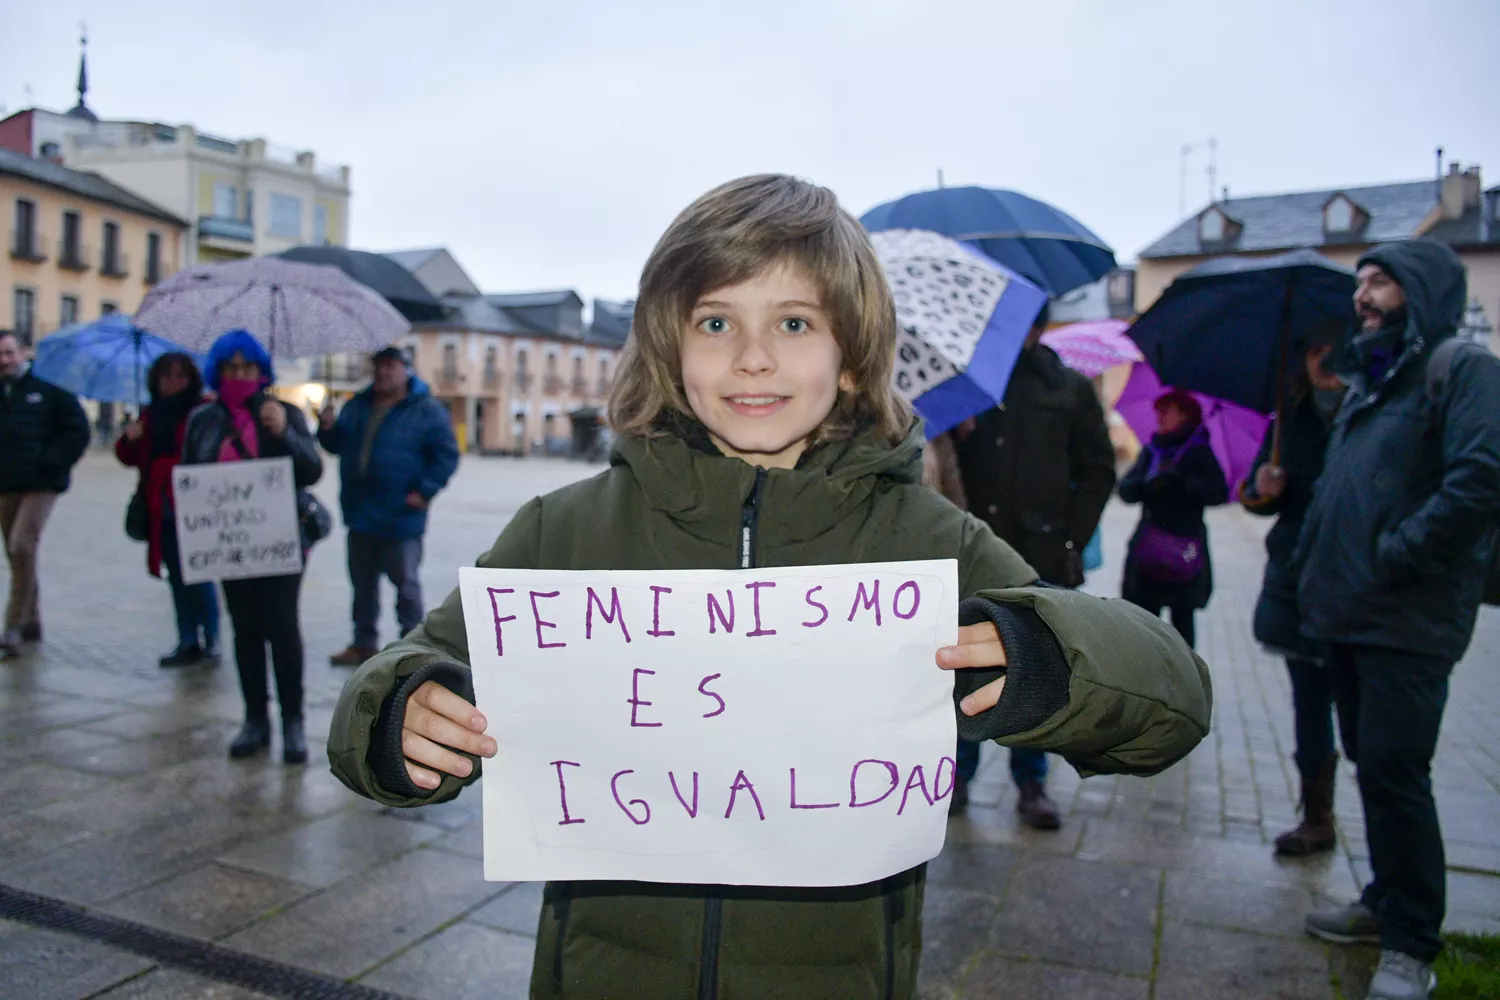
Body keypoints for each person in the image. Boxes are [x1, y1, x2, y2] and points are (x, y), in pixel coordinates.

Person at [325, 174, 1213, 1000]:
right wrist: (400, 711)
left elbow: (1174, 703)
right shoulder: (565, 532)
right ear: (669, 350)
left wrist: (1050, 658)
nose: (754, 357)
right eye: (715, 323)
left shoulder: (925, 542)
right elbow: (405, 670)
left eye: (795, 323)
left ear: (855, 358)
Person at [1295, 241, 1500, 1000]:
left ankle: (1413, 943)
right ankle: (1384, 900)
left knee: (1397, 772)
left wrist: (1397, 553)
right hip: (1350, 613)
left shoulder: (1462, 367)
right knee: (1373, 764)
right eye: (1361, 283)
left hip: (1407, 618)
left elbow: (1480, 479)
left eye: (1380, 281)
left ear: (1421, 290)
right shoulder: (1370, 380)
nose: (1363, 296)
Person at [929, 303, 1118, 827]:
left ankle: (1031, 782)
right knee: (963, 664)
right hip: (972, 554)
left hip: (1039, 558)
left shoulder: (1068, 388)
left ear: (1036, 327)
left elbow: (1098, 470)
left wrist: (1069, 541)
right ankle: (959, 776)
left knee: (1036, 666)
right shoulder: (966, 387)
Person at [182, 330, 323, 763]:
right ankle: (255, 719)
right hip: (230, 545)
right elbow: (191, 477)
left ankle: (293, 721)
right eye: (231, 367)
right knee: (245, 630)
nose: (240, 374)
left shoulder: (284, 413)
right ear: (219, 371)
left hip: (280, 544)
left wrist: (284, 434)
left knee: (282, 629)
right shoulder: (204, 420)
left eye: (247, 367)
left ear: (261, 371)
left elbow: (311, 469)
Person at [1240, 338, 1346, 856]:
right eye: (1313, 349)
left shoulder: (1372, 408)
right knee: (1310, 700)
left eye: (1335, 348)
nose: (1323, 359)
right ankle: (1317, 814)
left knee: (1362, 709)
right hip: (1298, 579)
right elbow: (1253, 497)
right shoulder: (1289, 418)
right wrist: (1262, 487)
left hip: (1359, 581)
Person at [318, 345, 458, 666]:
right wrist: (326, 427)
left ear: (405, 370)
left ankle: (414, 646)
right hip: (360, 513)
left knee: (406, 586)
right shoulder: (358, 405)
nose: (383, 372)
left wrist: (425, 491)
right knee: (362, 586)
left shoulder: (426, 409)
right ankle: (363, 642)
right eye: (379, 366)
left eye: (390, 366)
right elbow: (337, 444)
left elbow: (447, 455)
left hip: (401, 517)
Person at [116, 352, 221, 666]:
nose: (173, 382)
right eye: (166, 376)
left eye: (180, 376)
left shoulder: (202, 411)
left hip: (194, 504)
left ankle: (211, 637)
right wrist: (129, 438)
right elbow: (129, 456)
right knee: (176, 574)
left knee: (200, 573)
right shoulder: (149, 415)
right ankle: (187, 639)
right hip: (161, 504)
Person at [0, 330, 90, 657]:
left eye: (10, 353)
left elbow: (78, 430)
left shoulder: (50, 386)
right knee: (17, 554)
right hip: (7, 483)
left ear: (24, 352)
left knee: (21, 543)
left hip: (42, 483)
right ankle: (32, 620)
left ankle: (12, 626)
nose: (5, 360)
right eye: (0, 355)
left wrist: (53, 463)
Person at [1118, 389, 1229, 648]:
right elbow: (1126, 490)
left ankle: (1184, 679)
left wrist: (1182, 482)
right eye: (1159, 410)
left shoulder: (1199, 452)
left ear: (1186, 416)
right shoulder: (1153, 451)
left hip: (1184, 552)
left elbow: (1218, 493)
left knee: (1182, 627)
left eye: (1168, 410)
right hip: (1148, 552)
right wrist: (1146, 486)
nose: (1160, 416)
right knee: (1142, 624)